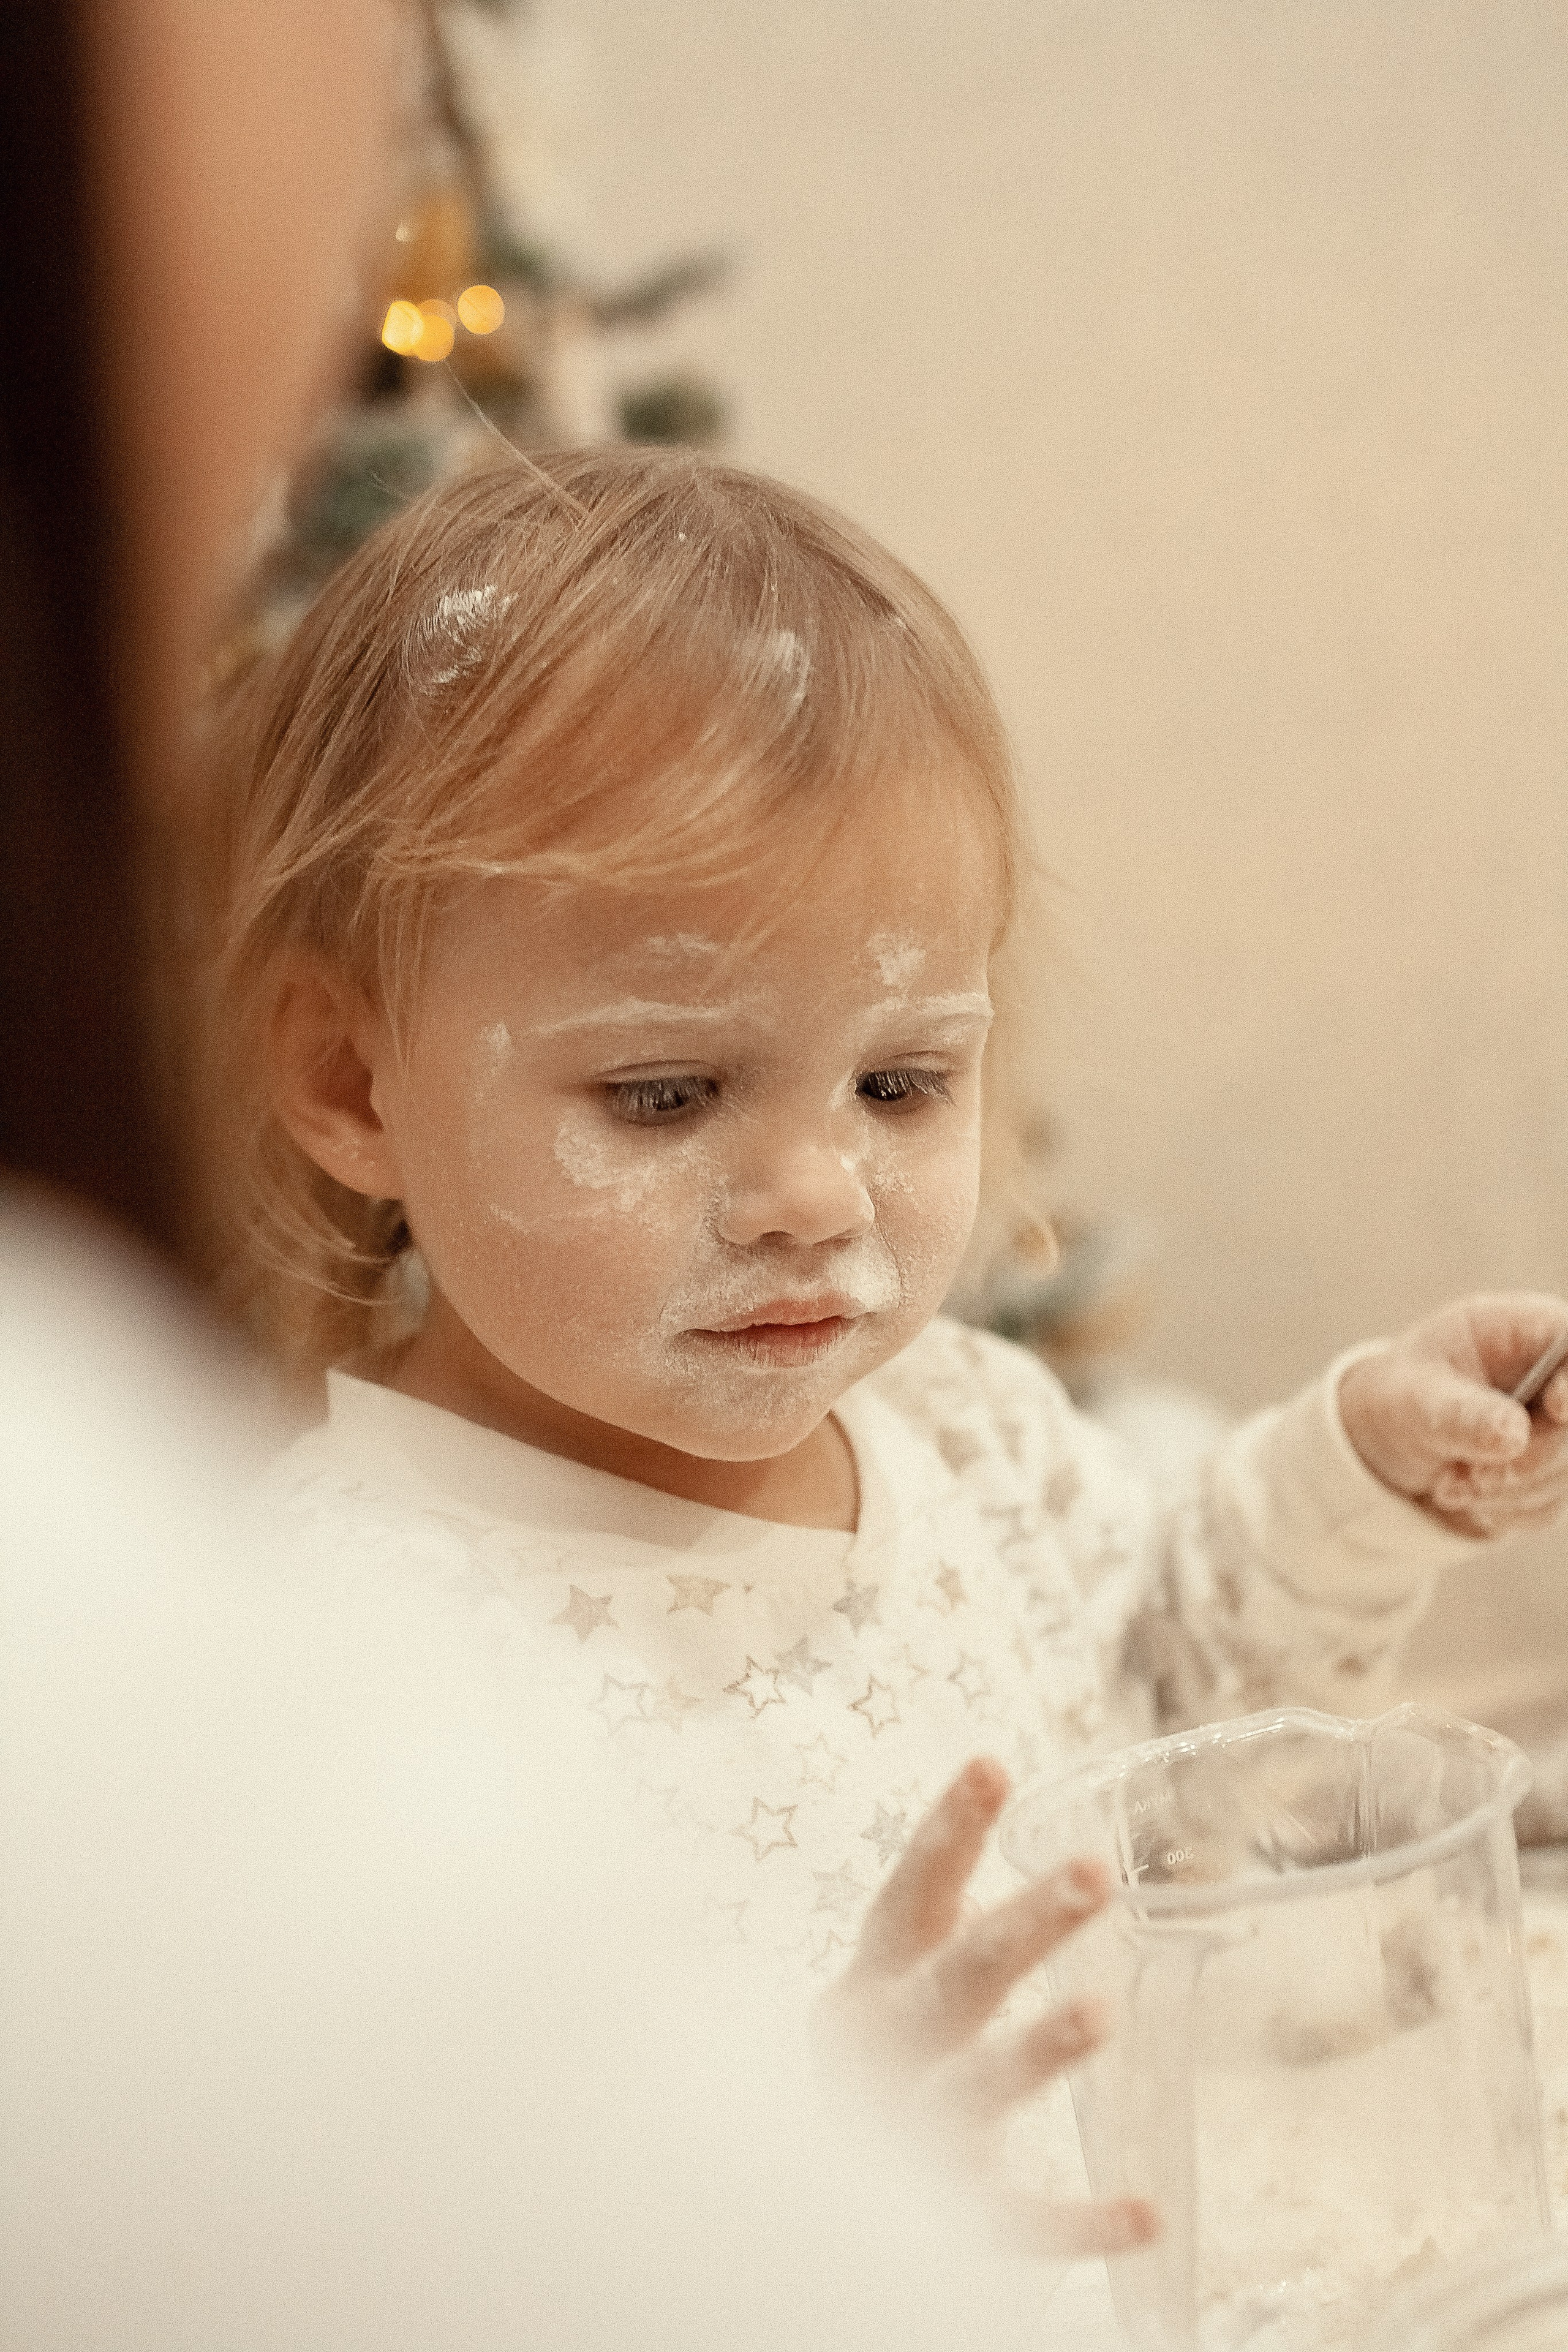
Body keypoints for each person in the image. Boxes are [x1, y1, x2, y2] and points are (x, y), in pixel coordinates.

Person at [203, 448, 1568, 2084]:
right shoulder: (329, 1655)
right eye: (665, 1095)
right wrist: (813, 2175)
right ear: (354, 1084)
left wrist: (1358, 1471)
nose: (813, 1195)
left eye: (900, 1085)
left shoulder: (966, 1426)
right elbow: (383, 2208)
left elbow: (1182, 1701)